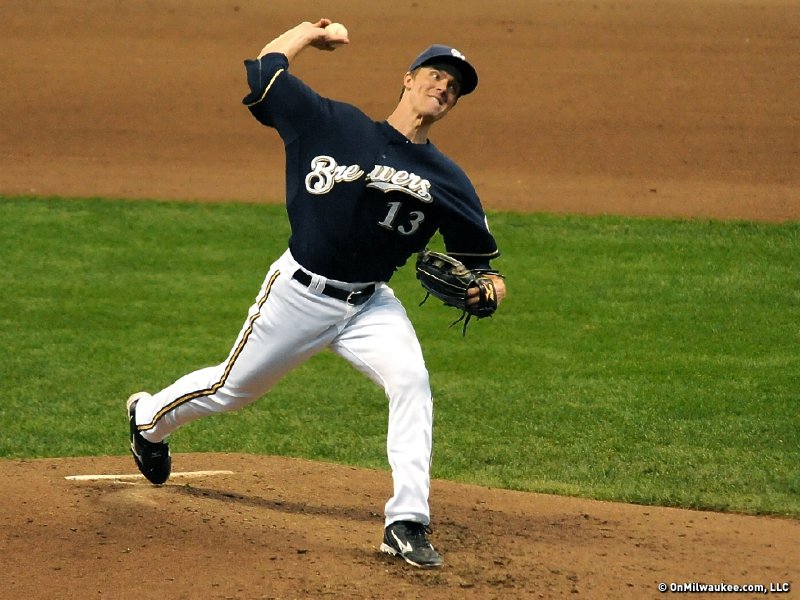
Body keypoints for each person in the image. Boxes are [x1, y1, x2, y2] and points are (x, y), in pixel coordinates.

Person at [126, 18, 506, 569]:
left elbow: (486, 268)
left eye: (455, 86)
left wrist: (487, 293)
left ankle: (406, 523)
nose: (443, 87)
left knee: (412, 382)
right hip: (298, 294)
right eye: (435, 74)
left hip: (370, 305)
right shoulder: (332, 123)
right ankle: (147, 419)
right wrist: (307, 32)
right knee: (233, 389)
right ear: (407, 79)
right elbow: (266, 74)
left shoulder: (448, 180)